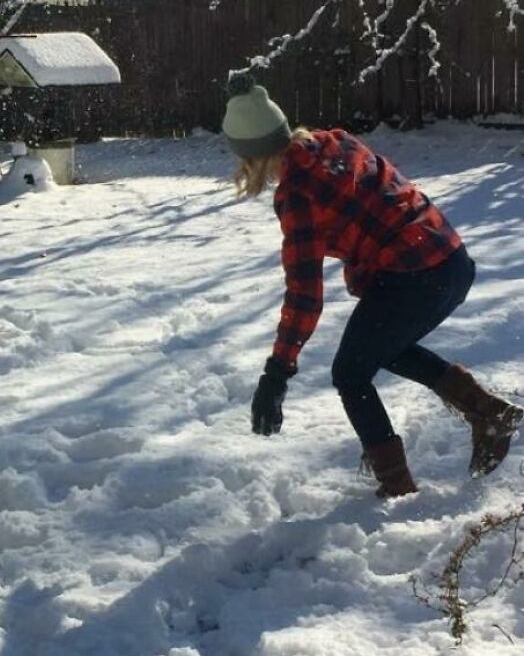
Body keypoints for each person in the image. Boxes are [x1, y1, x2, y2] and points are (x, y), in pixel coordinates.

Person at [222, 73, 522, 498]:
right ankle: (488, 413)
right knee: (382, 348)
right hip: (450, 260)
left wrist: (277, 371)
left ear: (249, 155)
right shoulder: (334, 142)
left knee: (351, 371)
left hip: (416, 275)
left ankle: (397, 488)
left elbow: (305, 294)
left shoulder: (298, 195)